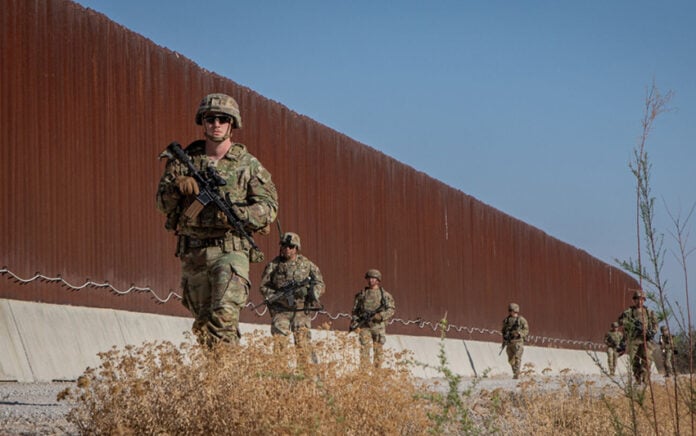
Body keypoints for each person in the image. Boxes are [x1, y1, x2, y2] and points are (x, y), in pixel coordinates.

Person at [156, 93, 279, 347]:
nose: (216, 124)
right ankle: (221, 377)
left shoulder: (248, 165)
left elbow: (269, 208)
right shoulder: (184, 161)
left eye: (223, 119)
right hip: (194, 253)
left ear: (232, 124)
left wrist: (239, 214)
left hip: (230, 251)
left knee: (223, 318)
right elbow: (161, 204)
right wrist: (177, 187)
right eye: (210, 118)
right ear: (203, 122)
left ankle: (228, 384)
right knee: (203, 326)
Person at [259, 232, 325, 361]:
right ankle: (280, 376)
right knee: (279, 343)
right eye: (284, 246)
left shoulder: (307, 264)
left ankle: (307, 376)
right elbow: (263, 286)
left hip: (301, 309)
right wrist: (275, 296)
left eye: (291, 246)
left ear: (296, 248)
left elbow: (320, 283)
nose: (287, 249)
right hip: (281, 309)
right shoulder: (274, 265)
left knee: (303, 342)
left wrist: (311, 293)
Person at [350, 269, 395, 368]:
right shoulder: (362, 295)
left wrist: (380, 316)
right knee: (364, 351)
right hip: (364, 326)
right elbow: (355, 311)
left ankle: (377, 375)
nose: (371, 280)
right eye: (369, 278)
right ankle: (364, 375)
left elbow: (391, 310)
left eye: (373, 278)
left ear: (378, 280)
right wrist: (355, 321)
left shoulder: (384, 295)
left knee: (378, 351)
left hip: (378, 327)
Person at [618, 289, 658, 384]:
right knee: (634, 361)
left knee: (647, 360)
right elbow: (620, 321)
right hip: (634, 339)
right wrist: (631, 324)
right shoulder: (629, 312)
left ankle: (645, 380)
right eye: (637, 299)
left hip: (646, 340)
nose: (640, 301)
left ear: (644, 300)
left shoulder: (649, 312)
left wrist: (652, 332)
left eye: (642, 299)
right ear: (634, 300)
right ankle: (638, 378)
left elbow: (655, 324)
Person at [501, 302, 529, 379]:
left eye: (512, 310)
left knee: (517, 357)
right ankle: (515, 371)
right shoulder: (506, 320)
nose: (511, 312)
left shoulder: (521, 320)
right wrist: (505, 338)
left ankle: (517, 373)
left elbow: (526, 330)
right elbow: (503, 330)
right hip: (510, 342)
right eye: (509, 310)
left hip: (518, 341)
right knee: (510, 359)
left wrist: (519, 333)